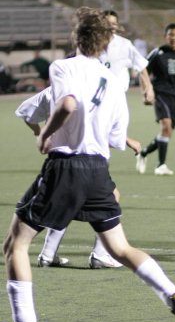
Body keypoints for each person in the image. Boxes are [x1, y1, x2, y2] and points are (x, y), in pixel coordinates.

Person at [0, 7, 175, 322]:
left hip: (65, 167)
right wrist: (129, 141)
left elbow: (67, 105)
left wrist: (44, 135)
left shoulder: (63, 67)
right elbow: (115, 134)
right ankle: (174, 295)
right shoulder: (113, 82)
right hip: (98, 170)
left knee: (15, 244)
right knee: (120, 248)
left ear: (76, 37)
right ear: (106, 44)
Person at [15, 85, 141, 269]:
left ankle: (48, 254)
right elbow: (93, 129)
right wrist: (126, 140)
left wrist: (39, 132)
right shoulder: (92, 89)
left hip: (58, 161)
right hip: (83, 161)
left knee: (64, 203)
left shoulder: (53, 90)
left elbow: (25, 111)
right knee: (111, 196)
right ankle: (100, 255)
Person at [135, 23, 175, 176]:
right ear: (165, 36)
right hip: (160, 94)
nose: (173, 38)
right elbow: (142, 72)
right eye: (170, 35)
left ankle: (143, 153)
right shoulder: (158, 53)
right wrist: (145, 92)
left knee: (166, 133)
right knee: (166, 127)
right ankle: (160, 165)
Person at [99, 10, 154, 102]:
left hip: (118, 95)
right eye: (107, 23)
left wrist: (149, 88)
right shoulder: (92, 44)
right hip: (97, 95)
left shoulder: (124, 44)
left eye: (114, 24)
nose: (111, 27)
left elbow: (141, 65)